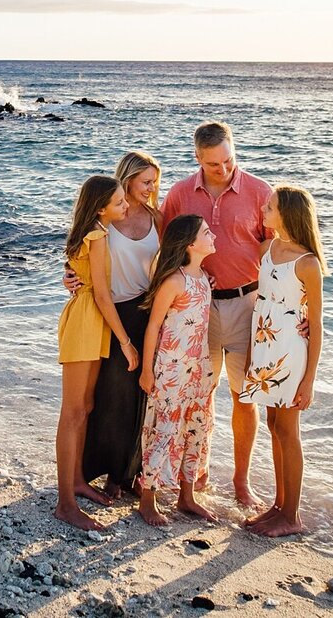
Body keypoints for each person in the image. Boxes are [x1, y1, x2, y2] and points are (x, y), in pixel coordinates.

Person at [159, 121, 275, 507]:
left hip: (249, 305)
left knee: (245, 398)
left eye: (228, 161)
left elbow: (280, 255)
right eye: (213, 165)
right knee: (196, 396)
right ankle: (194, 474)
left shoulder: (260, 192)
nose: (223, 170)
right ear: (197, 158)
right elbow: (155, 247)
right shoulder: (178, 195)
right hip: (196, 308)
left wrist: (296, 307)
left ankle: (241, 481)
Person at [239, 185, 328, 537]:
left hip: (291, 352)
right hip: (265, 348)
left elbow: (317, 323)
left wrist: (309, 380)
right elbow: (262, 304)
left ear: (288, 214)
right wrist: (251, 355)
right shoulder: (270, 248)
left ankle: (291, 515)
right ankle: (278, 506)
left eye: (270, 206)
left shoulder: (307, 264)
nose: (263, 208)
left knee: (288, 431)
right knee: (274, 426)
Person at [55, 174, 140, 531]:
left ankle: (76, 481)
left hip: (88, 318)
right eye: (120, 202)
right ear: (101, 207)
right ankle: (65, 503)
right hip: (87, 320)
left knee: (85, 407)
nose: (125, 206)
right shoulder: (97, 236)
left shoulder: (90, 230)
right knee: (73, 410)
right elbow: (103, 295)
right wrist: (125, 340)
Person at [81, 151, 162, 499]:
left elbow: (171, 261)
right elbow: (81, 259)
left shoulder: (158, 217)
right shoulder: (105, 219)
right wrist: (70, 277)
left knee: (144, 395)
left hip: (151, 311)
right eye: (146, 182)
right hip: (114, 312)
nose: (151, 188)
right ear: (127, 179)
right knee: (114, 393)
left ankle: (133, 472)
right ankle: (108, 473)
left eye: (154, 182)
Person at [136, 214, 223, 526]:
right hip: (171, 366)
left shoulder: (202, 279)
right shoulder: (175, 281)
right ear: (190, 244)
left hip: (198, 366)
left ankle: (187, 496)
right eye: (206, 232)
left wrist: (207, 369)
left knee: (197, 428)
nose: (213, 235)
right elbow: (153, 326)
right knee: (166, 430)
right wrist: (147, 370)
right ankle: (148, 498)